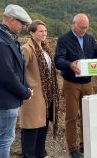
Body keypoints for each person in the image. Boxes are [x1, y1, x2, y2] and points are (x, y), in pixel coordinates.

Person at [54, 13, 97, 158]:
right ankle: (73, 148)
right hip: (71, 84)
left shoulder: (89, 38)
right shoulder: (64, 39)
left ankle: (86, 143)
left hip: (88, 83)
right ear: (74, 24)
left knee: (88, 115)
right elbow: (58, 60)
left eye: (86, 28)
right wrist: (70, 65)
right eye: (82, 27)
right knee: (72, 116)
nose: (84, 30)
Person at [0, 4, 33, 158]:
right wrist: (25, 91)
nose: (24, 27)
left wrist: (25, 87)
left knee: (6, 137)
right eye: (22, 23)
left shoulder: (7, 38)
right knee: (5, 139)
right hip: (6, 100)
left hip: (10, 99)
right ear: (12, 20)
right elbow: (8, 76)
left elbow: (17, 69)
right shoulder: (0, 43)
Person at [19, 20, 59, 158]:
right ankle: (29, 155)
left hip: (46, 95)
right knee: (31, 129)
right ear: (31, 32)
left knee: (43, 127)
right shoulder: (26, 49)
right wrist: (28, 87)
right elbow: (19, 72)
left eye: (45, 31)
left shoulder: (45, 47)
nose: (44, 34)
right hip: (33, 96)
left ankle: (40, 154)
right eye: (41, 31)